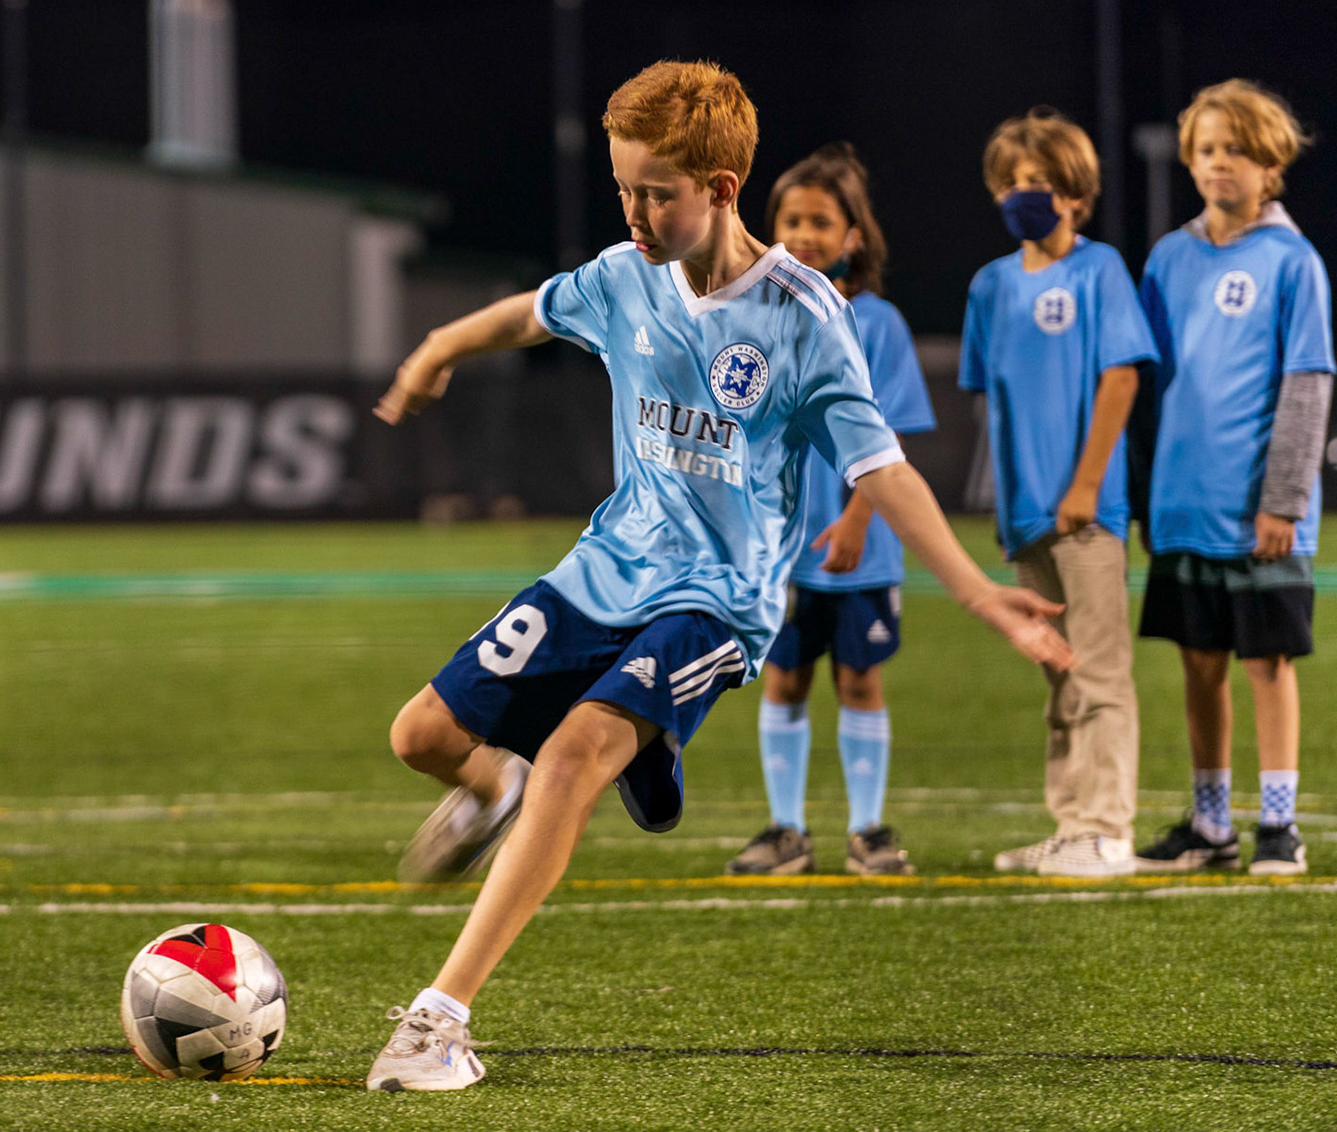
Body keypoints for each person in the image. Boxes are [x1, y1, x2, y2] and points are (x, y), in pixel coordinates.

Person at [365, 60, 1073, 1093]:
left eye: (657, 193)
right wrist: (437, 347)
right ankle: (497, 786)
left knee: (574, 754)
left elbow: (881, 468)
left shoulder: (802, 314)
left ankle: (441, 1019)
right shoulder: (625, 276)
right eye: (623, 188)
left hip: (717, 600)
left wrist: (976, 591)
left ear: (723, 187)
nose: (634, 213)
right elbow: (527, 315)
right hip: (607, 565)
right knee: (421, 735)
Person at [1133, 80, 1333, 876]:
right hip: (1183, 504)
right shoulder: (1167, 259)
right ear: (1190, 159)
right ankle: (1211, 824)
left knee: (1267, 664)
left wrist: (1283, 500)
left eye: (1238, 150)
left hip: (1258, 512)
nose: (1222, 163)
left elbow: (1308, 383)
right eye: (1209, 149)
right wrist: (1146, 494)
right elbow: (1145, 385)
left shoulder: (1293, 261)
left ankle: (1279, 825)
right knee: (1199, 662)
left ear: (1271, 165)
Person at [728, 143, 936, 878]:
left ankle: (867, 831)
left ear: (853, 235)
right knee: (784, 680)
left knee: (858, 681)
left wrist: (854, 522)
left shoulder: (878, 323)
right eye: (792, 220)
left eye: (821, 221)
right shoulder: (756, 317)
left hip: (861, 550)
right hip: (783, 551)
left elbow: (892, 437)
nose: (805, 234)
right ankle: (786, 831)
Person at [961, 107, 1158, 880]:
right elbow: (993, 402)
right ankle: (1071, 822)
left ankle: (1107, 831)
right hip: (1025, 514)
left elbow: (1121, 378)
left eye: (1039, 180)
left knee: (1099, 671)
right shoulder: (989, 286)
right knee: (1059, 676)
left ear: (1075, 193)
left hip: (1087, 511)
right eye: (1010, 180)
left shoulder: (1099, 269)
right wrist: (1005, 504)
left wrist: (1085, 484)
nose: (1022, 192)